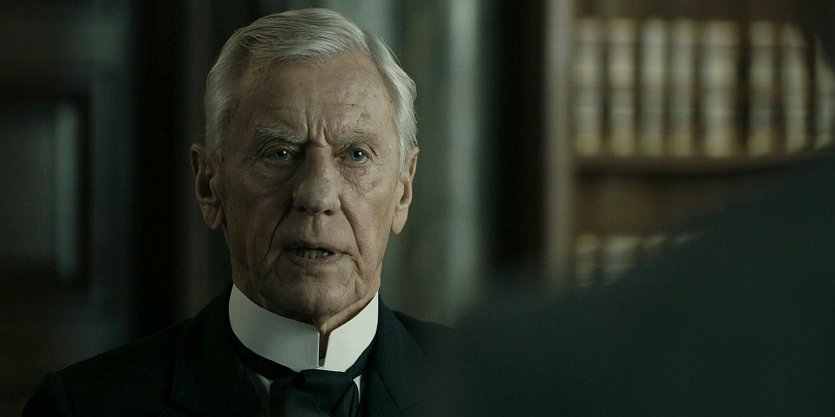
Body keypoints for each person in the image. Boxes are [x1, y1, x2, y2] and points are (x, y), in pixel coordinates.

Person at [23, 8, 449, 417]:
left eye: (356, 154)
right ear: (209, 185)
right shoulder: (82, 407)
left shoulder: (484, 392)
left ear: (403, 190)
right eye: (280, 153)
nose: (318, 195)